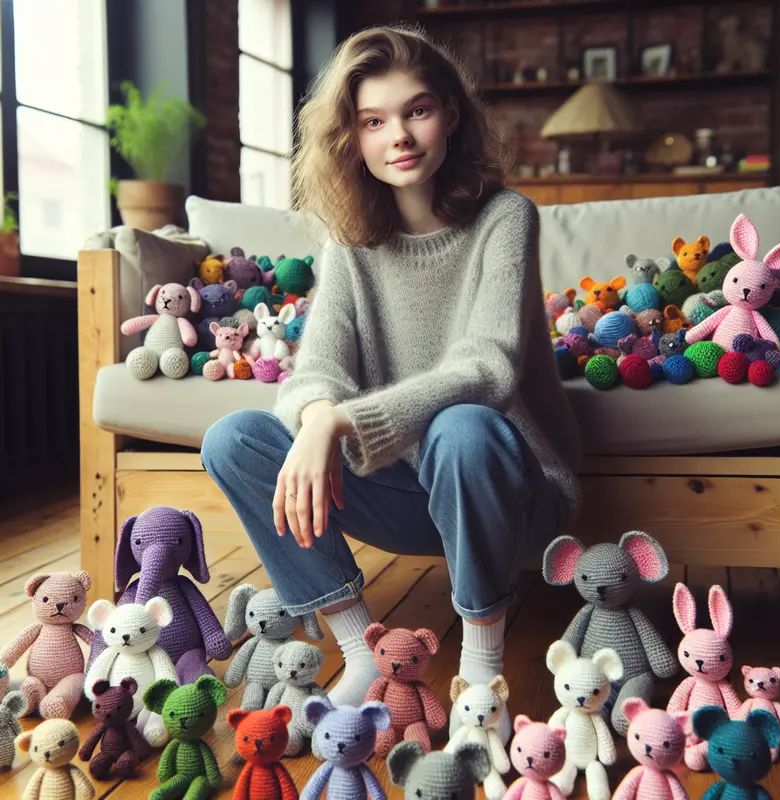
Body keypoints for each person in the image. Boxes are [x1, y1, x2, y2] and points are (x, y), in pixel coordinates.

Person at [201, 24, 581, 737]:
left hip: (507, 490)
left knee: (462, 424)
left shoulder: (506, 217)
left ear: (452, 115)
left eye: (417, 111)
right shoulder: (348, 244)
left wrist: (342, 422)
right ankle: (361, 652)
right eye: (374, 121)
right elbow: (317, 370)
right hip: (403, 496)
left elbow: (488, 363)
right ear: (352, 138)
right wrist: (318, 416)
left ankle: (480, 672)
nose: (398, 136)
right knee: (235, 439)